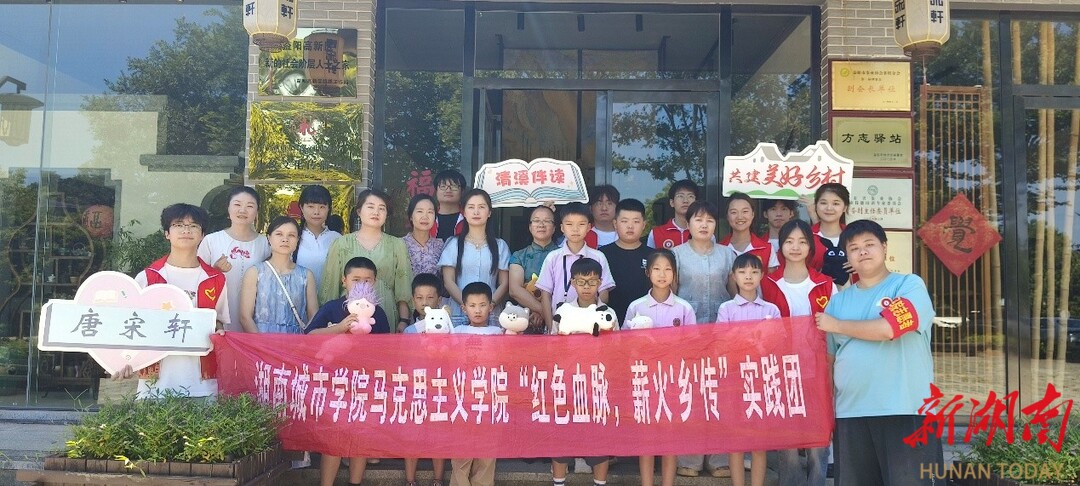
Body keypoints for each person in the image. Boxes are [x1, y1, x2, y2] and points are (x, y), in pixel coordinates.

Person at [815, 220, 941, 485]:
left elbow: (889, 328)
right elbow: (829, 362)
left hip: (905, 410)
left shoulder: (908, 285)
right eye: (854, 248)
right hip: (850, 414)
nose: (862, 251)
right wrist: (827, 415)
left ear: (884, 247)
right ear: (847, 257)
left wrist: (837, 325)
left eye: (869, 244)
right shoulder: (838, 301)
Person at [120, 203, 228, 399]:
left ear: (202, 235)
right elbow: (130, 324)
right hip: (155, 383)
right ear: (167, 233)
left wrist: (219, 331)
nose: (186, 230)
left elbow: (218, 320)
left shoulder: (215, 279)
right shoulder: (148, 277)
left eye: (193, 226)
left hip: (203, 383)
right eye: (178, 225)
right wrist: (122, 360)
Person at [760, 219, 837, 486]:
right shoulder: (768, 283)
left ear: (810, 247)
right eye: (789, 241)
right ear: (780, 246)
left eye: (802, 242)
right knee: (788, 436)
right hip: (781, 369)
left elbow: (835, 328)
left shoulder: (825, 284)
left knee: (818, 434)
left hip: (817, 368)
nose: (795, 247)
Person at [670, 200, 733, 478]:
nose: (704, 224)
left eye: (709, 220)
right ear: (688, 223)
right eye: (698, 219)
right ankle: (690, 459)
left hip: (721, 334)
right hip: (688, 335)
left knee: (720, 395)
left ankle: (719, 459)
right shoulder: (677, 255)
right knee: (691, 396)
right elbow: (671, 294)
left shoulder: (727, 255)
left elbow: (735, 293)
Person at [623, 249, 694, 486]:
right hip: (644, 381)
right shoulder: (636, 307)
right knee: (647, 438)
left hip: (674, 381)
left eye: (667, 269)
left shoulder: (684, 308)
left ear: (675, 274)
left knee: (670, 439)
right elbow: (624, 345)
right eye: (656, 269)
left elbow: (692, 346)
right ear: (648, 272)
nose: (662, 274)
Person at [715, 253, 780, 486]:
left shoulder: (771, 310)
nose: (748, 277)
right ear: (733, 276)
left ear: (762, 275)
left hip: (761, 382)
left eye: (754, 272)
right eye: (742, 272)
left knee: (759, 444)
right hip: (734, 381)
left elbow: (776, 345)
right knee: (736, 443)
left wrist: (745, 338)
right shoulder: (726, 309)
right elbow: (722, 343)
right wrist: (755, 338)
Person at [550, 257, 613, 484]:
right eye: (581, 282)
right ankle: (559, 482)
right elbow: (553, 346)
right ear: (572, 283)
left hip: (597, 383)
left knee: (599, 437)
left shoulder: (608, 313)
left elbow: (617, 348)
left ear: (600, 283)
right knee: (562, 434)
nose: (587, 287)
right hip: (567, 381)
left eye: (592, 282)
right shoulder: (563, 311)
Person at [320, 189, 412, 330]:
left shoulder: (397, 245)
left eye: (382, 208)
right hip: (347, 314)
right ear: (359, 211)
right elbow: (330, 286)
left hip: (385, 309)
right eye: (370, 207)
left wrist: (404, 320)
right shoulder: (340, 244)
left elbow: (403, 286)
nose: (376, 212)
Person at [449, 282, 501, 486]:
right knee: (461, 452)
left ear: (491, 307)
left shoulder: (499, 333)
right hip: (463, 398)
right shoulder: (456, 332)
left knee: (486, 453)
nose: (477, 310)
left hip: (489, 398)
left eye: (482, 305)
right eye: (472, 305)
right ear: (464, 308)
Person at [197, 186, 271, 331]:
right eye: (237, 204)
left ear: (257, 211)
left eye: (250, 206)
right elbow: (198, 279)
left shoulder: (265, 243)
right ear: (228, 208)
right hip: (219, 317)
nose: (242, 210)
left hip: (256, 319)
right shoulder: (211, 240)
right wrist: (215, 270)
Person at [537, 202, 615, 334]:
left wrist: (593, 316)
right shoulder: (553, 257)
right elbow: (545, 295)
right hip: (560, 327)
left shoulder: (598, 257)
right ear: (562, 228)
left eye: (581, 224)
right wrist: (551, 328)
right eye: (569, 224)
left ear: (589, 227)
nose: (575, 229)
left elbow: (604, 292)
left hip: (590, 328)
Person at [438, 189, 510, 327]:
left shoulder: (500, 246)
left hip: (491, 313)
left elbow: (504, 283)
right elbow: (448, 281)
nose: (476, 212)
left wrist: (490, 305)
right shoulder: (453, 244)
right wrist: (467, 306)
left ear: (489, 212)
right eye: (471, 207)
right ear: (464, 212)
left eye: (481, 207)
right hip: (459, 312)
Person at [238, 216, 318, 334]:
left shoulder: (306, 276)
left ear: (297, 240)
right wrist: (261, 344)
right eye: (279, 234)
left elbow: (314, 317)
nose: (285, 239)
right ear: (269, 238)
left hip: (296, 341)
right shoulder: (254, 273)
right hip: (261, 340)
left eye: (291, 235)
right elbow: (245, 317)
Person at [306, 257, 391, 335]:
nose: (361, 285)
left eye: (367, 281)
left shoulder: (378, 312)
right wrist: (339, 328)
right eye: (356, 280)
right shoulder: (331, 307)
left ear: (374, 282)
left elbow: (386, 341)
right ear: (344, 281)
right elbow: (310, 334)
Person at [508, 205, 559, 334]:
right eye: (536, 221)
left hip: (558, 318)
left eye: (547, 221)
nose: (541, 225)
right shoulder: (519, 256)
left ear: (554, 227)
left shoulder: (562, 255)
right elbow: (515, 289)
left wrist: (546, 313)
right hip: (525, 319)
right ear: (530, 227)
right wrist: (542, 310)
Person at [600, 198, 652, 323]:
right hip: (610, 322)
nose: (630, 226)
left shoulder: (653, 256)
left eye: (636, 221)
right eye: (624, 221)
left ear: (644, 225)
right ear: (615, 224)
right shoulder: (602, 255)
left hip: (646, 322)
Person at [809, 183, 855, 287]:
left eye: (836, 203)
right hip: (814, 293)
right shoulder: (806, 236)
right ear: (816, 205)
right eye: (823, 203)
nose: (829, 208)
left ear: (845, 207)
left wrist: (860, 266)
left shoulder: (855, 236)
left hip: (851, 293)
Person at [294, 184, 342, 285]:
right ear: (301, 208)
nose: (316, 212)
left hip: (330, 295)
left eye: (322, 207)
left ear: (329, 209)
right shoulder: (292, 236)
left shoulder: (337, 239)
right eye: (311, 206)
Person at [403, 194, 445, 306]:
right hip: (406, 305)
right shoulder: (400, 244)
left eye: (430, 212)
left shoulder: (440, 246)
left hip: (433, 307)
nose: (425, 216)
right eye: (420, 211)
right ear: (411, 216)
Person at [719, 192, 779, 270]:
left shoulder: (767, 249)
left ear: (752, 214)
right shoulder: (719, 249)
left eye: (745, 211)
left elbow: (772, 277)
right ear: (727, 216)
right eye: (734, 212)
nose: (740, 217)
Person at [647, 179, 698, 249]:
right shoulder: (656, 233)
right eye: (680, 196)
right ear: (672, 203)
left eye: (690, 196)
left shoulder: (703, 231)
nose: (685, 200)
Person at [433, 169, 467, 240]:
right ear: (436, 191)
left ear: (462, 191)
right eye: (443, 186)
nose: (448, 190)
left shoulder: (469, 218)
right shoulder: (428, 218)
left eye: (454, 186)